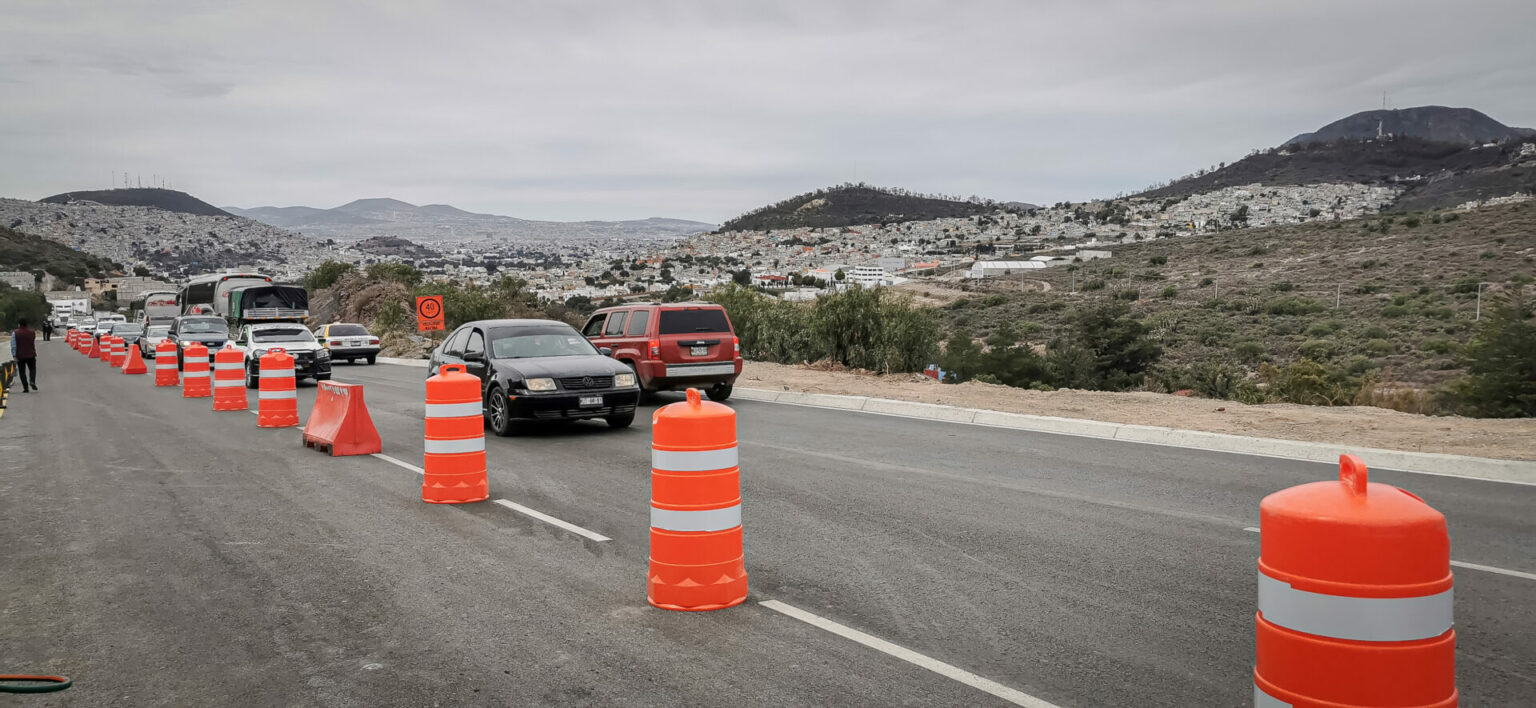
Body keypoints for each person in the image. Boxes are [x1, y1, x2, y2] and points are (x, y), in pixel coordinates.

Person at [11, 317, 37, 392]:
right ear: (26, 324)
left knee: (22, 371)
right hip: (31, 354)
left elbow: (13, 345)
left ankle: (25, 388)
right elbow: (32, 341)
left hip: (20, 355)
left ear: (19, 324)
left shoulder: (15, 333)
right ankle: (32, 381)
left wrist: (14, 355)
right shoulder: (32, 332)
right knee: (32, 369)